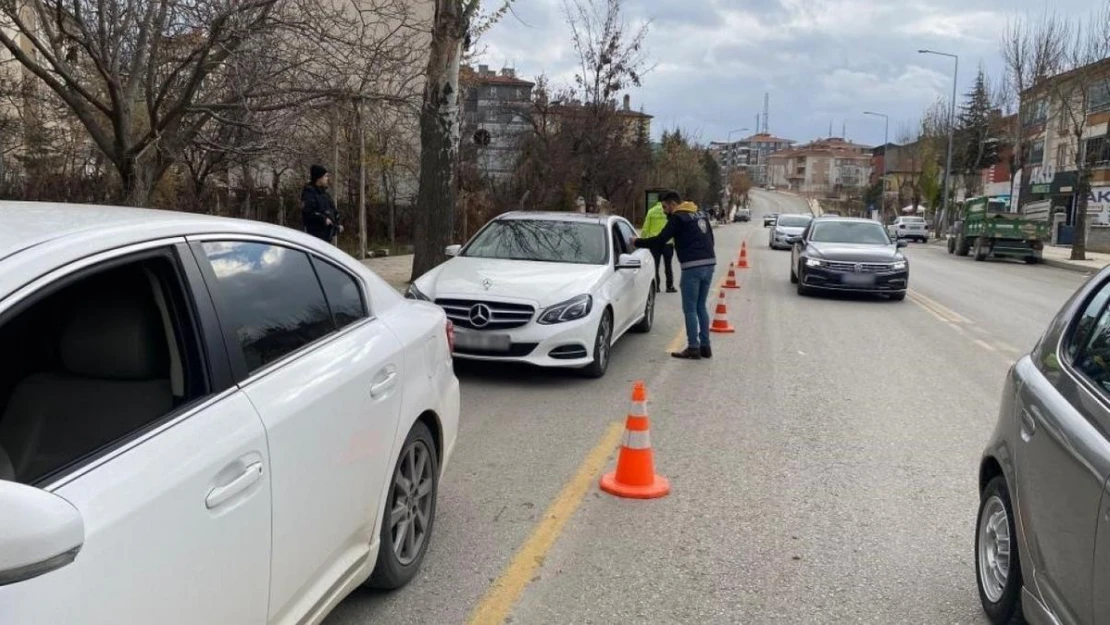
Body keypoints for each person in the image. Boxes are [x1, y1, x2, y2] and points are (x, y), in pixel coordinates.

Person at [633, 190, 716, 360]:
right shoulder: (699, 214)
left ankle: (693, 348)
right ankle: (705, 347)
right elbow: (711, 239)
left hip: (692, 267)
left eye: (664, 207)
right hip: (709, 264)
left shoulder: (678, 218)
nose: (664, 211)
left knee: (690, 308)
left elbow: (660, 240)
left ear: (672, 204)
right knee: (701, 306)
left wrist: (637, 242)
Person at [640, 199, 676, 293]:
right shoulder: (669, 211)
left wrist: (642, 241)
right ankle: (670, 286)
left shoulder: (651, 211)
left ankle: (656, 287)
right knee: (668, 266)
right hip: (668, 243)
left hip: (654, 243)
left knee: (655, 266)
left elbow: (645, 228)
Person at [301, 164, 341, 243]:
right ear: (319, 178)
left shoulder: (324, 194)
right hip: (316, 237)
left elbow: (332, 209)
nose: (327, 179)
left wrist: (337, 224)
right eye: (325, 176)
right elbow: (308, 212)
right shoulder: (309, 193)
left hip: (327, 236)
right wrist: (323, 219)